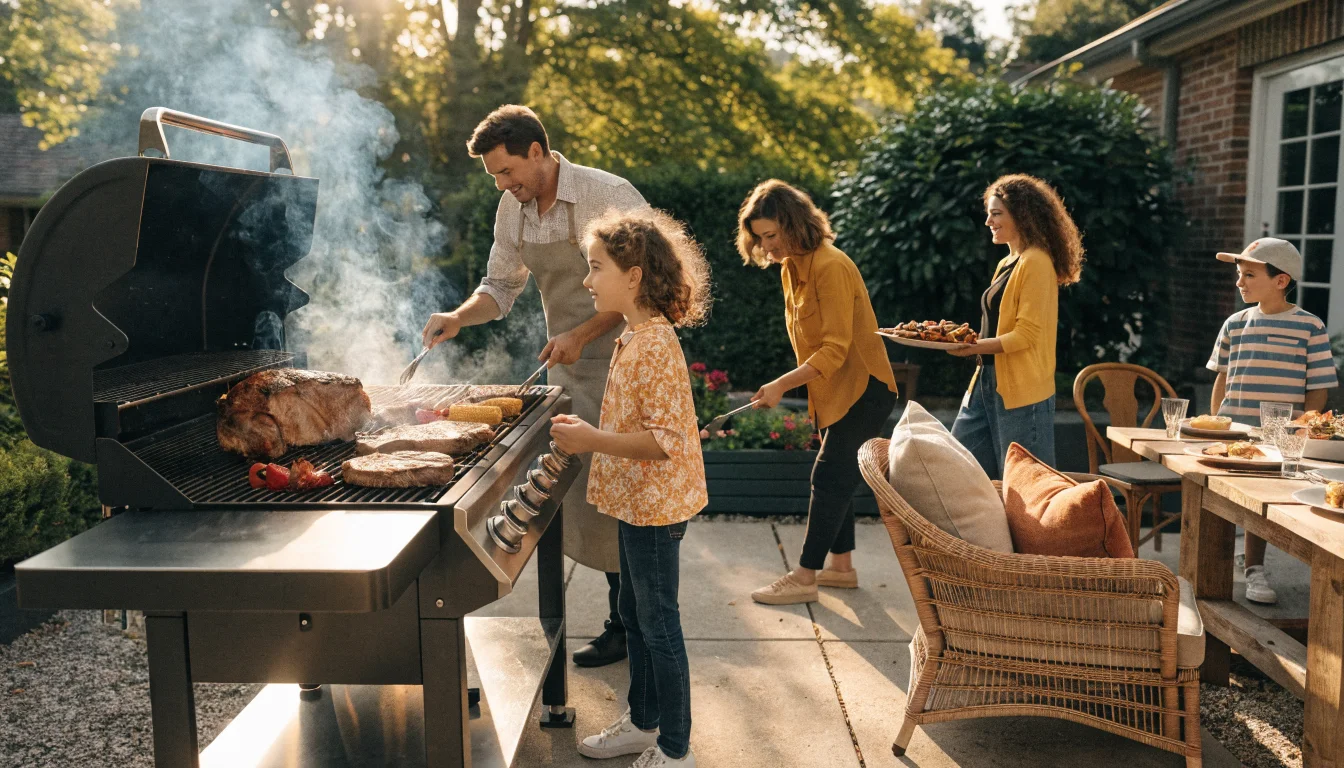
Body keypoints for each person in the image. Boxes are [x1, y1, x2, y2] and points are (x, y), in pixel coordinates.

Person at [421, 105, 647, 667]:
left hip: (631, 361)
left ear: (538, 152)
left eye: (507, 172)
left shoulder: (606, 193)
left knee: (624, 496)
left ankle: (638, 628)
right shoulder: (512, 210)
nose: (503, 185)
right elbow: (499, 288)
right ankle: (621, 622)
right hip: (570, 367)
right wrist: (457, 316)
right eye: (495, 176)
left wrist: (584, 332)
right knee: (585, 500)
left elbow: (648, 288)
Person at [549, 208, 710, 768]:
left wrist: (591, 438)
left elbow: (661, 442)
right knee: (635, 613)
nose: (588, 281)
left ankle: (675, 746)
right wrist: (593, 435)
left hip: (656, 508)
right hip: (634, 504)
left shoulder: (654, 344)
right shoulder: (634, 334)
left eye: (596, 268)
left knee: (659, 623)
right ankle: (644, 723)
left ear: (634, 275)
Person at [736, 180, 898, 606]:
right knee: (838, 476)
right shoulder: (791, 267)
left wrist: (781, 385)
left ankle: (805, 576)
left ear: (793, 224)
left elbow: (835, 347)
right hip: (831, 390)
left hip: (865, 388)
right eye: (759, 237)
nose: (766, 246)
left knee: (827, 477)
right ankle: (840, 568)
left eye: (771, 235)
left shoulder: (831, 265)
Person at [1207, 237, 1337, 604]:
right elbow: (1222, 377)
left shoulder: (1310, 327)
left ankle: (1254, 569)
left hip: (1280, 436)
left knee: (1259, 502)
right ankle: (1222, 563)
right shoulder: (1234, 324)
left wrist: (1302, 426)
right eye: (1238, 274)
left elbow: (1319, 387)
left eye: (1249, 274)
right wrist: (1218, 422)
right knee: (1222, 498)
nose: (1240, 282)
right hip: (1236, 433)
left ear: (1281, 281)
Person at [947, 174, 1083, 479]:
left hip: (1022, 390)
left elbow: (1025, 336)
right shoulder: (1009, 261)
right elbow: (998, 325)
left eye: (996, 214)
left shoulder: (1036, 262)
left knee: (1026, 491)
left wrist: (971, 347)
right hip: (986, 382)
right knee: (959, 471)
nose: (988, 222)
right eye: (989, 213)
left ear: (1022, 215)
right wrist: (966, 339)